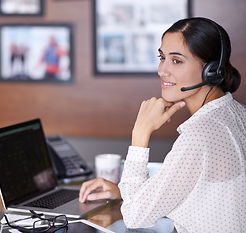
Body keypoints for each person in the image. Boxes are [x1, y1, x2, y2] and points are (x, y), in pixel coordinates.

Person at [79, 17, 246, 233]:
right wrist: (127, 193)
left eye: (176, 61)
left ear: (211, 70)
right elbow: (205, 197)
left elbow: (134, 216)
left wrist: (140, 133)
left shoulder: (199, 135)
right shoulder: (238, 114)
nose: (162, 70)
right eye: (162, 57)